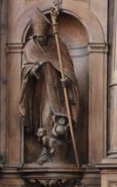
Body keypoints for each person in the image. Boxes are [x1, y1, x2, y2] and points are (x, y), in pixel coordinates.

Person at [19, 13, 79, 163]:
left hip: (57, 90)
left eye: (44, 37)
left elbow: (67, 67)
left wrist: (67, 80)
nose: (42, 39)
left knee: (58, 120)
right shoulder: (31, 46)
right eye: (39, 37)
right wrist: (34, 69)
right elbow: (25, 69)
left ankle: (58, 153)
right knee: (45, 119)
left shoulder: (57, 44)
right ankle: (47, 152)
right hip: (40, 92)